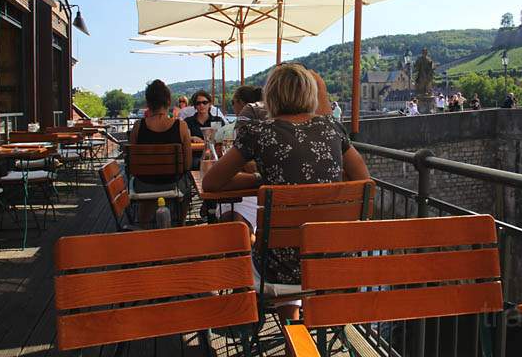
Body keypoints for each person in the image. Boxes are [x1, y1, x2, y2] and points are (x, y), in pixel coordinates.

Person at [201, 63, 370, 323]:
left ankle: (289, 325)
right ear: (309, 95)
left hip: (279, 271)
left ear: (271, 97)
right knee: (295, 241)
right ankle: (310, 324)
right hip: (334, 262)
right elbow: (364, 183)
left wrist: (263, 180)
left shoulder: (259, 133)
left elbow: (211, 182)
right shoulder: (333, 129)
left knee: (271, 246)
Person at [129, 79, 193, 225]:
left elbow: (132, 162)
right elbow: (187, 164)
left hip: (144, 187)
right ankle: (180, 224)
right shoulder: (181, 126)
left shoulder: (138, 127)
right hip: (174, 185)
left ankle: (143, 223)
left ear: (148, 102)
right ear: (168, 101)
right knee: (189, 184)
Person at [185, 90, 225, 169]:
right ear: (195, 106)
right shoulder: (188, 122)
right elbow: (182, 138)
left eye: (204, 102)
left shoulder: (218, 121)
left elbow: (225, 138)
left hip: (215, 155)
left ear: (210, 104)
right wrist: (191, 138)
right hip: (196, 157)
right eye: (198, 103)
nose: (201, 105)